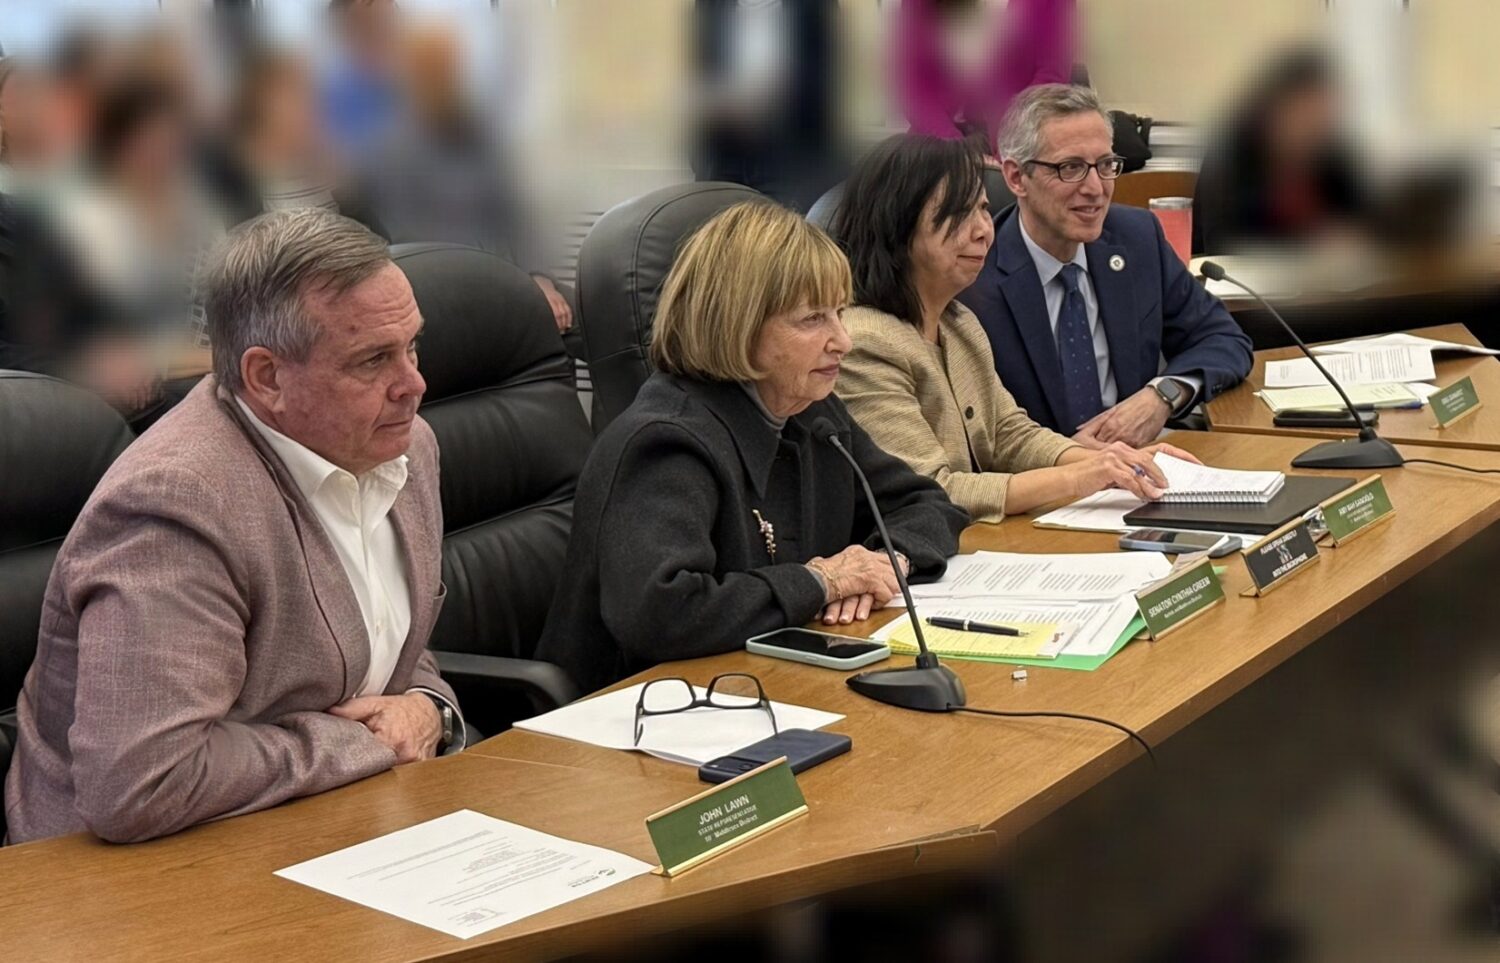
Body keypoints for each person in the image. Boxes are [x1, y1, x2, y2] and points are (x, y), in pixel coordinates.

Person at [3, 209, 463, 845]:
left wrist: (429, 709)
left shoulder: (403, 448)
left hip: (333, 821)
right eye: (372, 360)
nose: (414, 384)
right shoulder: (176, 504)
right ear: (267, 377)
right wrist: (366, 742)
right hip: (146, 870)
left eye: (412, 346)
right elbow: (143, 782)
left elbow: (391, 645)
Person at [536, 202, 968, 694]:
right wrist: (822, 583)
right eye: (813, 319)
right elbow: (661, 613)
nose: (843, 341)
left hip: (763, 682)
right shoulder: (665, 441)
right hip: (636, 709)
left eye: (840, 313)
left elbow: (928, 504)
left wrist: (884, 565)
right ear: (737, 325)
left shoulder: (810, 411)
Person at [831, 134, 1196, 522]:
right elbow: (932, 490)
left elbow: (1009, 434)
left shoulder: (959, 323)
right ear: (897, 224)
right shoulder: (864, 343)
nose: (982, 230)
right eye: (959, 213)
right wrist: (1082, 477)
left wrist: (1112, 460)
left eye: (983, 209)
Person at [958, 84, 1253, 448]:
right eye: (1071, 168)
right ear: (1017, 178)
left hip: (1142, 460)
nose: (1096, 188)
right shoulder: (974, 275)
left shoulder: (1136, 238)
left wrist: (1162, 395)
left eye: (1105, 165)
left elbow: (1223, 338)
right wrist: (1066, 459)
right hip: (1037, 475)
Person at [1192, 47, 1366, 256]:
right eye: (1308, 114)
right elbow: (1221, 246)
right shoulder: (1230, 153)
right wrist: (1310, 244)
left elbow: (1361, 225)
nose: (1318, 127)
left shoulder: (1332, 154)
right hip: (1238, 274)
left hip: (1321, 273)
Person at [894, 0, 1074, 160]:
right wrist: (954, 149)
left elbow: (1051, 76)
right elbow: (913, 85)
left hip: (1018, 138)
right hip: (936, 139)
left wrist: (1007, 147)